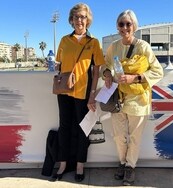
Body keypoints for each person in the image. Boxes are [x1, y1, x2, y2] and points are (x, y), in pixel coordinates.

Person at [102, 10, 164, 186]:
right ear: (117, 26)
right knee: (118, 135)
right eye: (121, 24)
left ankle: (130, 167)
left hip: (139, 99)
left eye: (128, 24)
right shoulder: (113, 46)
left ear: (134, 26)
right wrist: (107, 74)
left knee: (135, 137)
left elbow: (157, 71)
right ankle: (122, 162)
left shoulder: (143, 46)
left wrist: (134, 78)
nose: (124, 27)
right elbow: (106, 66)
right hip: (118, 98)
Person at [51, 3, 105, 182]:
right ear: (71, 20)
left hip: (83, 93)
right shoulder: (64, 41)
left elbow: (96, 71)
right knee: (64, 127)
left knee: (83, 130)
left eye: (82, 17)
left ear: (87, 20)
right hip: (64, 91)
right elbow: (59, 65)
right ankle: (63, 163)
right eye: (76, 17)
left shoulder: (94, 42)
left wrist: (92, 94)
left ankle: (80, 164)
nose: (79, 20)